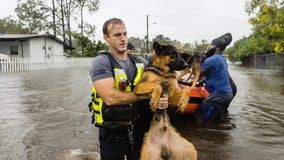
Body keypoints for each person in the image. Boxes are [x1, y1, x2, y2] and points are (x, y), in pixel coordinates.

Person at [89, 18, 154, 160]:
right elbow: (111, 98)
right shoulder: (101, 62)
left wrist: (162, 97)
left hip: (137, 127)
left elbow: (159, 82)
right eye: (118, 35)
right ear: (106, 38)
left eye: (125, 34)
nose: (123, 39)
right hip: (112, 131)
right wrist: (146, 95)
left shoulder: (141, 62)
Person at [194, 33, 234, 126]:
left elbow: (199, 73)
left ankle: (199, 133)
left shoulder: (211, 60)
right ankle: (212, 133)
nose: (209, 46)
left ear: (216, 48)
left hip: (219, 94)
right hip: (228, 94)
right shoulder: (222, 59)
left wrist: (204, 55)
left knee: (198, 115)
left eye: (211, 45)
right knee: (211, 119)